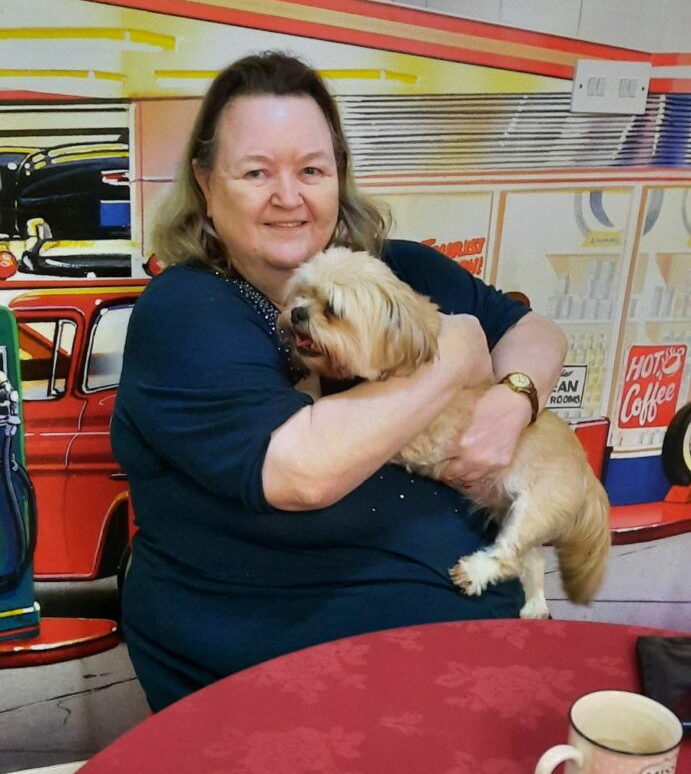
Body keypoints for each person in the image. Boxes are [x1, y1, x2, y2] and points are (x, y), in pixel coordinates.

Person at [112, 51, 567, 711]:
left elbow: (536, 332)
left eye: (311, 170)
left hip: (469, 642)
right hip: (281, 673)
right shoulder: (186, 310)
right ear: (206, 186)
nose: (287, 196)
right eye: (256, 172)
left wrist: (514, 398)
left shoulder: (400, 270)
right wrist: (453, 353)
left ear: (339, 177)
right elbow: (301, 473)